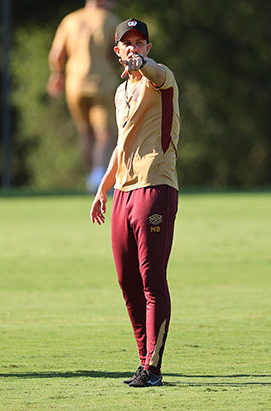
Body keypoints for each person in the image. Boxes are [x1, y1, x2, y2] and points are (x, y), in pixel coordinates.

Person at [90, 18, 180, 388]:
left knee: (151, 279)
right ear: (116, 51)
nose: (134, 48)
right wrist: (103, 188)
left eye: (140, 42)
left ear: (148, 47)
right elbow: (120, 144)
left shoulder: (160, 79)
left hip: (155, 186)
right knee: (127, 282)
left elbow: (156, 74)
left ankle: (154, 367)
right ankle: (143, 361)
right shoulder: (119, 93)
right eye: (127, 44)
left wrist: (144, 66)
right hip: (124, 193)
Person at [47, 0, 121, 193]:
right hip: (102, 83)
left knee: (86, 131)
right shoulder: (111, 20)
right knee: (105, 133)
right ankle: (99, 177)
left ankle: (90, 179)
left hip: (75, 84)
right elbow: (121, 52)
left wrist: (57, 75)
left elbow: (56, 55)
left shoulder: (70, 20)